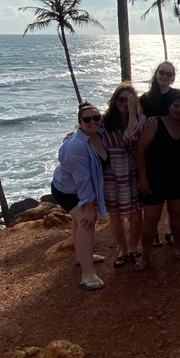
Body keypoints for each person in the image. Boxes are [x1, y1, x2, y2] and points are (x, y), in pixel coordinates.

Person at [51, 101, 109, 291]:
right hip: (66, 190)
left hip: (75, 188)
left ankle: (81, 256)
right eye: (87, 119)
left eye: (96, 118)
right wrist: (90, 208)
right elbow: (83, 181)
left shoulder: (99, 134)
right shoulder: (78, 147)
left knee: (79, 223)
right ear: (80, 122)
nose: (93, 121)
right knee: (86, 222)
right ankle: (88, 273)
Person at [135, 93, 180, 271]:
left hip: (178, 178)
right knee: (151, 219)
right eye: (175, 105)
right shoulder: (155, 123)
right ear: (169, 107)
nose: (179, 109)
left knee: (177, 214)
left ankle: (177, 245)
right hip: (155, 179)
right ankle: (145, 255)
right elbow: (140, 151)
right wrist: (143, 180)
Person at [100, 83, 146, 269]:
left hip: (132, 172)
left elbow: (131, 136)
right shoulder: (104, 121)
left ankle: (134, 247)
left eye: (129, 100)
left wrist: (133, 113)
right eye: (121, 99)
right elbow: (88, 133)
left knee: (136, 215)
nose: (124, 103)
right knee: (115, 216)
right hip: (111, 174)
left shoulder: (141, 119)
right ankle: (123, 249)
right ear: (114, 101)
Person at [139, 61, 180, 247]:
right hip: (152, 154)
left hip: (174, 155)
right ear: (156, 74)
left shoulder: (177, 96)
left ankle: (172, 235)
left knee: (175, 207)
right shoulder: (145, 99)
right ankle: (154, 233)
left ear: (173, 77)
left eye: (169, 74)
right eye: (162, 72)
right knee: (151, 205)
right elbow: (138, 122)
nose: (165, 76)